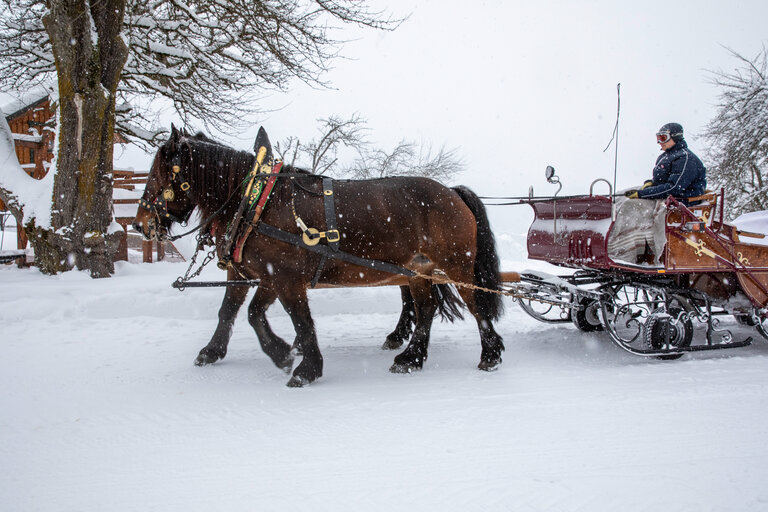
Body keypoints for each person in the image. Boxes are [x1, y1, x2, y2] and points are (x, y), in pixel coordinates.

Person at [624, 122, 706, 205]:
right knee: (624, 196)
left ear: (675, 137)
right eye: (658, 138)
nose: (659, 142)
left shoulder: (685, 159)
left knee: (632, 204)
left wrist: (642, 194)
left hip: (680, 201)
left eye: (663, 138)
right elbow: (662, 179)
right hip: (666, 196)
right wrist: (650, 183)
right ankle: (611, 212)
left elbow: (674, 187)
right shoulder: (667, 156)